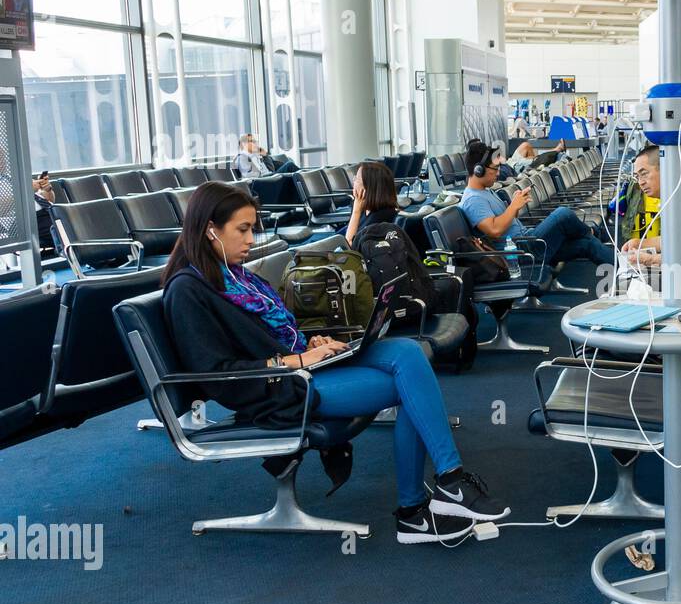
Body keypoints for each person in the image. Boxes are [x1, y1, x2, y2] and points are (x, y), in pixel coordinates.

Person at [160, 182, 507, 543]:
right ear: (210, 230)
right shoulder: (188, 291)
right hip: (274, 389)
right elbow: (218, 376)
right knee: (410, 387)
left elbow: (272, 332)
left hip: (303, 365)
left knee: (407, 351)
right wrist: (295, 359)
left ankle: (444, 487)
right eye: (243, 230)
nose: (251, 239)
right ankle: (420, 507)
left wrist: (311, 342)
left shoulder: (237, 276)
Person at [458, 140, 614, 268]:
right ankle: (592, 232)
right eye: (495, 169)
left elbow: (505, 222)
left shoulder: (486, 191)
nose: (498, 173)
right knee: (562, 214)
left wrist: (515, 206)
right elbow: (494, 230)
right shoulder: (473, 200)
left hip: (527, 240)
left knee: (586, 245)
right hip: (520, 251)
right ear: (478, 170)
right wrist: (513, 207)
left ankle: (623, 269)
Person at [619, 145, 681, 290]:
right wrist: (640, 243)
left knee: (623, 286)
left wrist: (649, 259)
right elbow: (673, 242)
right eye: (637, 176)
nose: (640, 182)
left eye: (644, 174)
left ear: (665, 170)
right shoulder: (676, 198)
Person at [344, 161, 400, 246]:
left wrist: (356, 211)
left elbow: (349, 245)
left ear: (368, 187)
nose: (354, 181)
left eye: (357, 179)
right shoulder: (363, 208)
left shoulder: (383, 216)